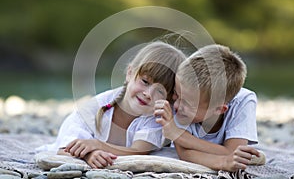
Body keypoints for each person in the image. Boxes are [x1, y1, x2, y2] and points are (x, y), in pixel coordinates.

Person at [37, 41, 186, 168]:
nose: (148, 94)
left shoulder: (157, 115)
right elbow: (67, 147)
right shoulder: (97, 106)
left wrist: (99, 145)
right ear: (129, 73)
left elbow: (138, 151)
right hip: (75, 131)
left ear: (170, 98)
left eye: (160, 91)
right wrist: (89, 154)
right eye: (145, 82)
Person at [154, 44, 260, 172]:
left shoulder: (244, 101)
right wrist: (223, 161)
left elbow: (233, 152)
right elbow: (185, 154)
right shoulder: (184, 101)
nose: (176, 105)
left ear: (219, 109)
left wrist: (178, 135)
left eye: (187, 103)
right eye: (176, 94)